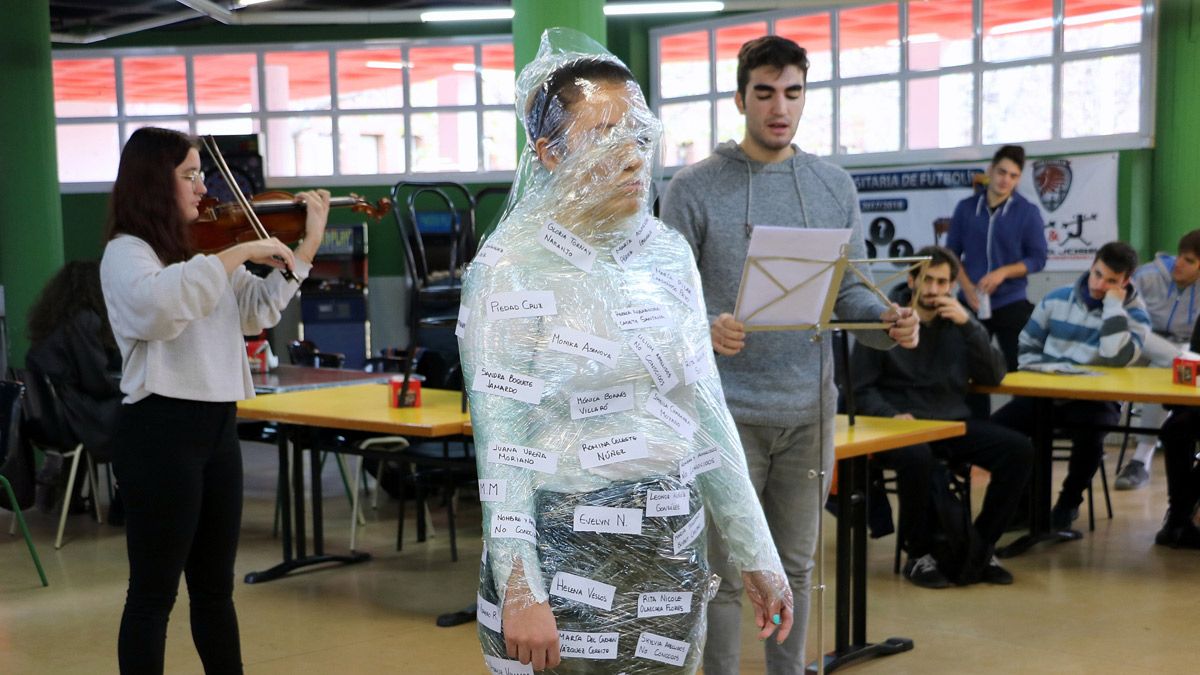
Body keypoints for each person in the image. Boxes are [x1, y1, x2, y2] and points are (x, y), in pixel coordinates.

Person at [460, 30, 792, 674]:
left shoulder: (665, 255)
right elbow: (503, 443)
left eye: (639, 136)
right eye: (606, 137)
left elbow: (705, 411)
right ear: (548, 152)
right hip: (559, 542)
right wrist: (521, 589)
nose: (633, 156)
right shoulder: (509, 270)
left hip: (668, 539)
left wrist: (757, 550)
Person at [660, 35, 919, 675]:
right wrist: (704, 328)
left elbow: (848, 291)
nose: (780, 107)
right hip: (723, 414)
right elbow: (657, 300)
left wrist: (887, 321)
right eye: (766, 93)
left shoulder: (833, 186)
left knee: (795, 567)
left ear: (806, 96)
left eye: (793, 92)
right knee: (723, 572)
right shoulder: (693, 188)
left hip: (809, 410)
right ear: (741, 97)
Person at [100, 126, 330, 673]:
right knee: (153, 596)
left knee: (215, 590)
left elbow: (256, 312)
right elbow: (159, 308)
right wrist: (242, 250)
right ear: (156, 183)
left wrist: (307, 248)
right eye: (189, 175)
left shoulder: (206, 248)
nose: (204, 187)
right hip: (159, 431)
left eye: (203, 173)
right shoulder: (127, 253)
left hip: (216, 429)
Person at [852, 246, 1032, 587]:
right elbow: (859, 389)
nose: (935, 290)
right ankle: (919, 555)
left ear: (951, 285)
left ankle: (978, 547)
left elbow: (995, 376)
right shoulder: (885, 320)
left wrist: (970, 326)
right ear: (911, 280)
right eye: (928, 281)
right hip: (898, 427)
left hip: (949, 423)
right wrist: (891, 415)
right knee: (917, 458)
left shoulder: (960, 322)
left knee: (1019, 449)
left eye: (943, 282)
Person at [992, 242, 1151, 532]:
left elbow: (1116, 357)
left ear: (1125, 282)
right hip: (1046, 395)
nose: (1100, 285)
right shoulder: (1056, 299)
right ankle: (1026, 505)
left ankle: (1067, 505)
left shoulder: (1137, 316)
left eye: (1111, 281)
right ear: (1091, 266)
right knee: (996, 432)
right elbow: (1027, 347)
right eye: (1097, 274)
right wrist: (1044, 374)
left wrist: (1114, 307)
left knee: (1090, 438)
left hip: (1097, 401)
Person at [24, 261, 123, 519]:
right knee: (138, 410)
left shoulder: (50, 322)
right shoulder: (84, 320)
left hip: (51, 420)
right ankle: (124, 501)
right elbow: (97, 382)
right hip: (72, 418)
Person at [946, 144, 1048, 372]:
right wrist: (967, 287)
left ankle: (1020, 409)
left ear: (1019, 179)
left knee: (1020, 370)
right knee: (965, 371)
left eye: (1013, 176)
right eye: (1002, 172)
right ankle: (975, 410)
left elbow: (1038, 258)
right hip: (971, 302)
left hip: (1011, 301)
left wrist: (1003, 273)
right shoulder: (966, 208)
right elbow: (951, 252)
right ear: (990, 170)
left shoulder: (1027, 212)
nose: (1005, 180)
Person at [1116, 229, 1200, 490]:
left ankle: (1141, 460)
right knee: (1115, 359)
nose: (1179, 264)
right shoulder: (1148, 275)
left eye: (1190, 261)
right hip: (1141, 339)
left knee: (1168, 366)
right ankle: (1095, 434)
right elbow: (1120, 316)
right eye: (1181, 256)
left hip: (1179, 348)